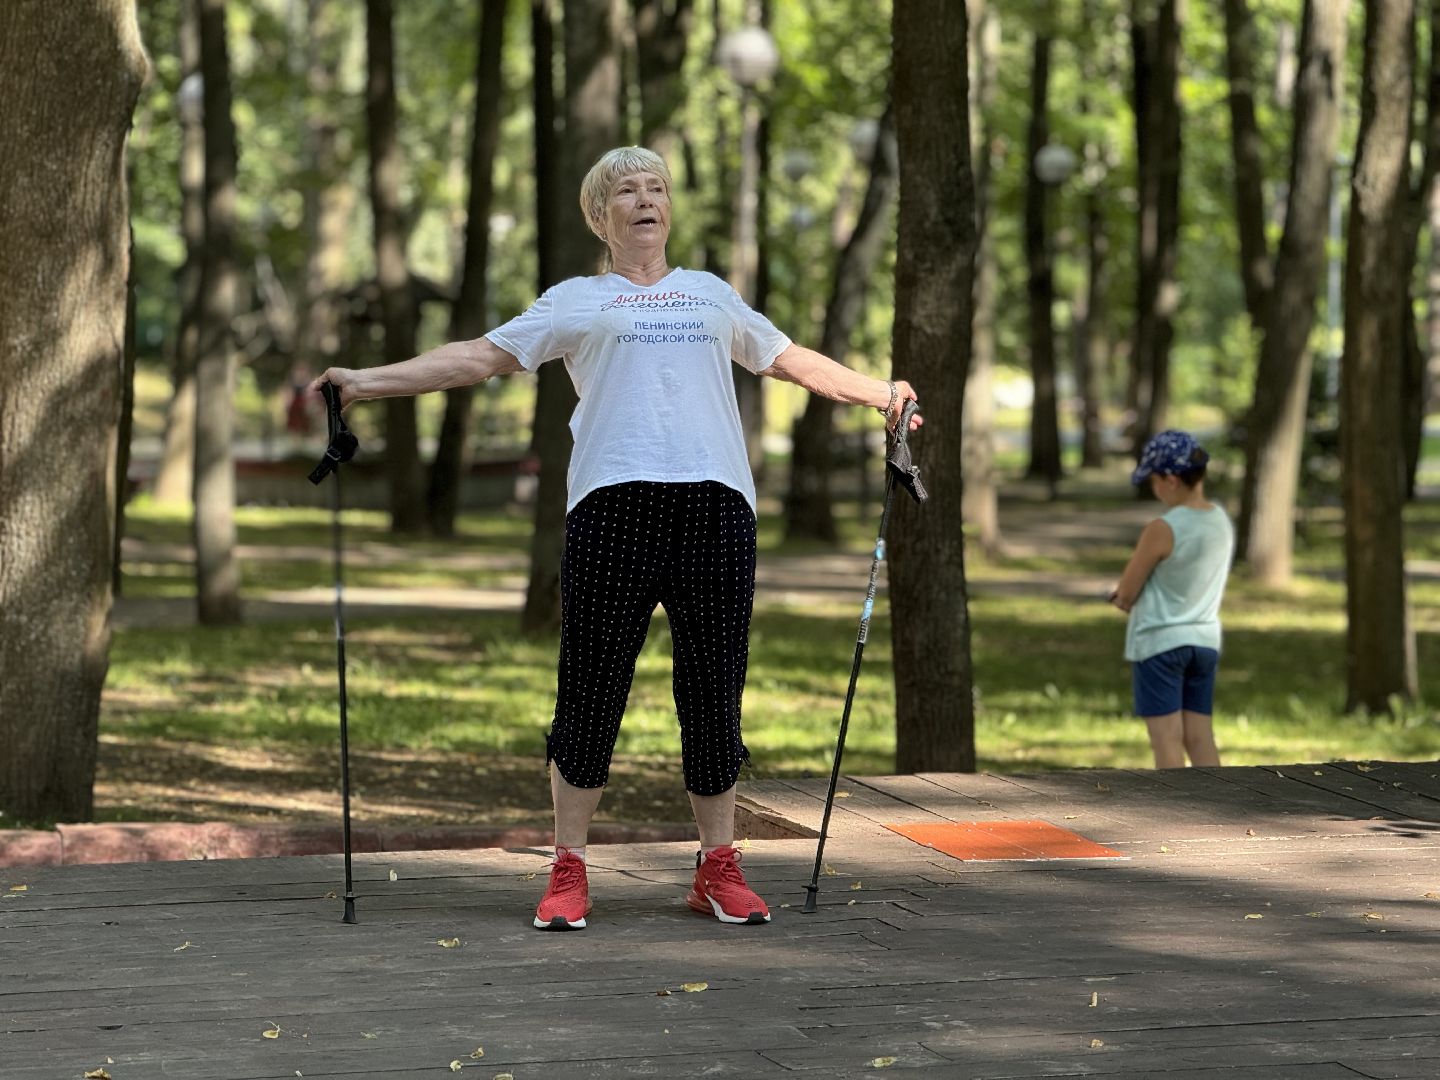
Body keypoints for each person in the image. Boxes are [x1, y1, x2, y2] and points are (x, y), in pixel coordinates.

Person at [311, 145, 921, 931]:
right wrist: (364, 381)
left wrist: (882, 394)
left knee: (713, 696)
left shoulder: (710, 295)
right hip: (612, 506)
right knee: (591, 694)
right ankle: (568, 867)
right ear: (601, 217)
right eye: (627, 190)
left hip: (716, 508)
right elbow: (474, 358)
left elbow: (790, 359)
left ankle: (717, 866)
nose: (646, 199)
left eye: (657, 187)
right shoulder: (574, 300)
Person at [1108, 431, 1234, 770]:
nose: (1153, 488)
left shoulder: (1163, 528)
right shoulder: (1220, 521)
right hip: (1204, 642)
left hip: (1160, 644)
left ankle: (1178, 819)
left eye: (1153, 480)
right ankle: (1221, 808)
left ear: (1171, 479)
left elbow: (1127, 593)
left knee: (1166, 738)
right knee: (1199, 737)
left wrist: (1118, 596)